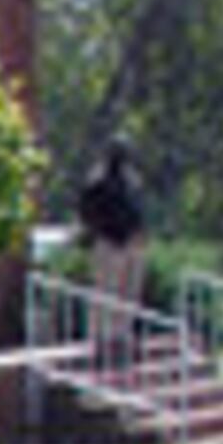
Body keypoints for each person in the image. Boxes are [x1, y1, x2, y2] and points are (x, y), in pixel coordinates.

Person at [76, 141, 148, 364]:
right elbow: (86, 211)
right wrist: (97, 232)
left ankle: (123, 336)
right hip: (108, 242)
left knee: (129, 293)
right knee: (105, 292)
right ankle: (100, 340)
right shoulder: (97, 182)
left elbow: (140, 209)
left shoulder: (132, 181)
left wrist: (140, 235)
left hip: (132, 244)